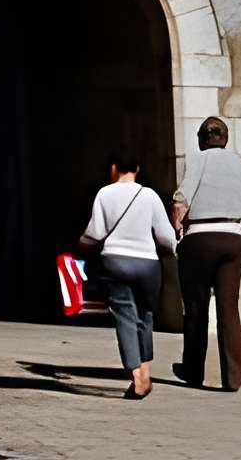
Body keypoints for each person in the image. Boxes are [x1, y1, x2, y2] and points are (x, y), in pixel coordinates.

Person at [172, 115, 241, 391]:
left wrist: (176, 229)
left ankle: (193, 370)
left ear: (202, 139)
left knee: (196, 307)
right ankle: (232, 378)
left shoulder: (199, 162)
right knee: (229, 308)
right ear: (226, 138)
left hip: (199, 239)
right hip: (232, 240)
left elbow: (181, 200)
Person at [80, 154, 175, 398]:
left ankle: (136, 378)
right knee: (145, 315)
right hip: (147, 264)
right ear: (137, 168)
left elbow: (96, 232)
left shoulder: (104, 194)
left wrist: (81, 243)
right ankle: (146, 372)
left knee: (125, 317)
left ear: (114, 168)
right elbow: (165, 236)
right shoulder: (149, 195)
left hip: (115, 262)